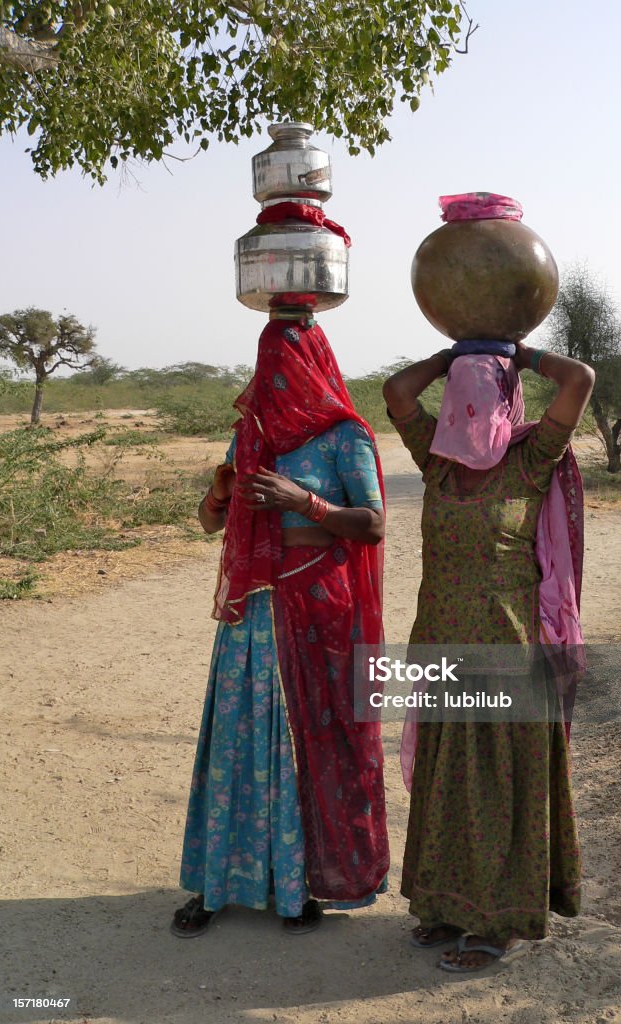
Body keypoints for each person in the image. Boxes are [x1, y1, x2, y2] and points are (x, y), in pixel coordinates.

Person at [172, 317, 389, 938]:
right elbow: (211, 525)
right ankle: (221, 882)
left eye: (287, 361)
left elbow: (372, 525)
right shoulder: (251, 435)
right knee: (242, 741)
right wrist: (218, 495)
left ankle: (304, 885)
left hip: (320, 607)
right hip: (253, 616)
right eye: (267, 361)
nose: (274, 375)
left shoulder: (344, 435)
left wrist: (303, 501)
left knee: (316, 743)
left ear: (315, 364)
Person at [382, 340, 594, 972]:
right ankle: (445, 908)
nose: (468, 408)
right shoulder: (438, 464)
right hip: (442, 643)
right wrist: (454, 355)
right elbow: (396, 393)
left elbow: (579, 379)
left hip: (507, 649)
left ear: (505, 404)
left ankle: (497, 922)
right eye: (458, 399)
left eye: (482, 397)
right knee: (449, 780)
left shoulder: (531, 459)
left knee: (499, 787)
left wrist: (518, 355)